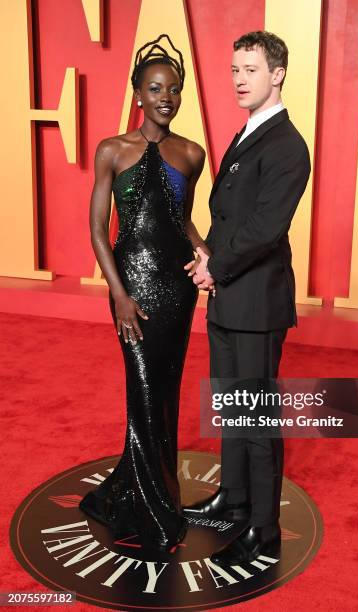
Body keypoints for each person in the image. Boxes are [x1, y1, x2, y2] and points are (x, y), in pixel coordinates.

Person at [183, 31, 311, 565]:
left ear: (277, 73)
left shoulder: (288, 144)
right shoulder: (248, 132)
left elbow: (263, 228)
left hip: (256, 302)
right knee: (231, 407)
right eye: (235, 69)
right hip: (228, 295)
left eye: (251, 69)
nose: (239, 79)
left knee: (256, 418)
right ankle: (233, 498)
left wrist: (216, 265)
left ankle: (265, 527)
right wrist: (209, 261)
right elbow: (228, 216)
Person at [79, 34, 207, 552]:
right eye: (155, 88)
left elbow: (181, 221)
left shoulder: (192, 154)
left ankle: (150, 493)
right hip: (131, 289)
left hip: (177, 292)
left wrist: (205, 251)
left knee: (166, 393)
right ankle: (155, 510)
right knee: (143, 393)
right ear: (138, 93)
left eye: (174, 90)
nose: (166, 98)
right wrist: (120, 295)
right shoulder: (112, 149)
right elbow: (97, 229)